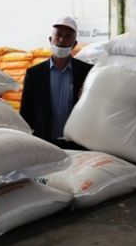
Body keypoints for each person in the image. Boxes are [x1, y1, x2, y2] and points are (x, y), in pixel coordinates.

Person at [20, 16, 93, 148]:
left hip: (77, 144)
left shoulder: (87, 72)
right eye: (58, 34)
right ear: (50, 39)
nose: (61, 40)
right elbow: (26, 114)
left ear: (74, 44)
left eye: (67, 36)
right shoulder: (34, 74)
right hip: (44, 144)